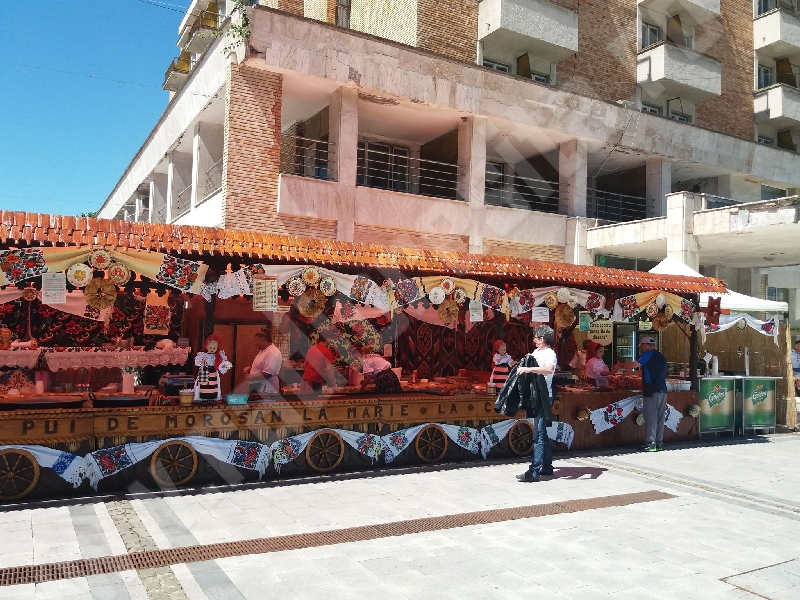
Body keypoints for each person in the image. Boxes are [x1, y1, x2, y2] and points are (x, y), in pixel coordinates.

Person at [514, 325, 557, 482]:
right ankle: (547, 466)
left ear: (542, 339)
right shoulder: (536, 352)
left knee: (538, 434)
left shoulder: (550, 354)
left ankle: (534, 471)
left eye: (536, 338)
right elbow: (528, 363)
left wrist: (529, 369)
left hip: (543, 397)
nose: (534, 340)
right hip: (535, 396)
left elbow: (549, 369)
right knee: (542, 432)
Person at [613, 336, 667, 452]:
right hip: (662, 390)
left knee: (651, 417)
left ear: (646, 345)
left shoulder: (647, 354)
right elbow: (645, 371)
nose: (641, 348)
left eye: (642, 345)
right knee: (660, 417)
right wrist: (630, 374)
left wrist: (620, 365)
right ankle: (658, 443)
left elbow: (634, 364)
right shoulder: (660, 356)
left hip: (651, 390)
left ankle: (650, 444)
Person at [242, 329, 282, 395]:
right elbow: (260, 363)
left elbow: (267, 374)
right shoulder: (263, 350)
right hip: (257, 385)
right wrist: (250, 367)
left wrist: (250, 376)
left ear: (263, 340)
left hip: (266, 389)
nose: (255, 343)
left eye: (256, 340)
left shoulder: (273, 352)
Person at [194, 335, 232, 402]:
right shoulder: (202, 355)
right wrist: (202, 362)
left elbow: (221, 365)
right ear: (206, 346)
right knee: (203, 387)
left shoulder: (218, 356)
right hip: (204, 373)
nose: (212, 349)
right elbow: (197, 362)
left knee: (213, 387)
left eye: (214, 348)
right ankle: (203, 399)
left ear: (217, 348)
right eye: (210, 347)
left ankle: (212, 399)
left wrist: (224, 366)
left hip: (213, 374)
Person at [301, 330, 337, 395]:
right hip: (314, 381)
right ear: (327, 339)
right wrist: (334, 384)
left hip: (304, 381)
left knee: (304, 401)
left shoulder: (311, 349)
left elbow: (304, 365)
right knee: (314, 401)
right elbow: (329, 370)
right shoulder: (326, 351)